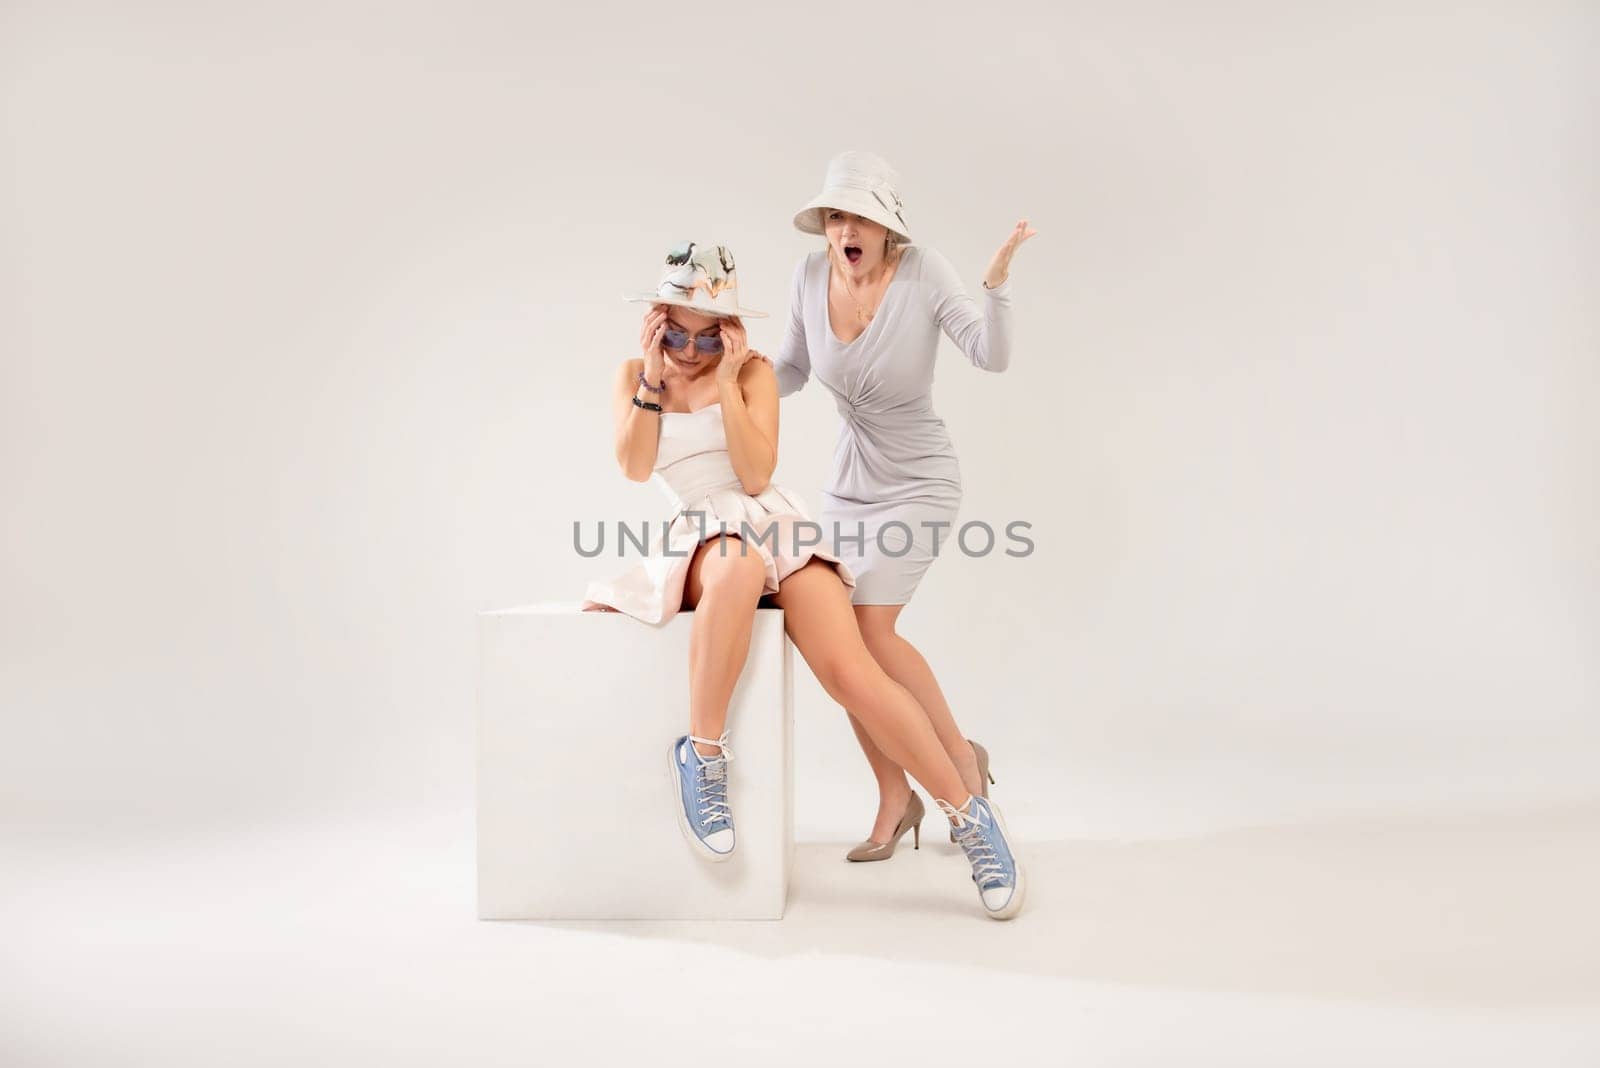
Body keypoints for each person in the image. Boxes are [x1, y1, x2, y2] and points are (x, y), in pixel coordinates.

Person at [581, 240, 1026, 919]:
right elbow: (636, 468)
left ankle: (969, 817)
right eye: (676, 332)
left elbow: (756, 476)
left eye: (707, 337)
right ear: (656, 320)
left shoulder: (752, 374)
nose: (690, 350)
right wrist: (651, 375)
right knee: (734, 563)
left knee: (853, 672)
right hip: (703, 532)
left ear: (730, 331)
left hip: (770, 518)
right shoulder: (632, 378)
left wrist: (727, 384)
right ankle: (703, 756)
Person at [770, 150, 1036, 859]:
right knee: (838, 643)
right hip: (848, 487)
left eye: (858, 217)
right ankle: (896, 796)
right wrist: (732, 381)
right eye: (834, 216)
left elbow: (991, 355)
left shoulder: (923, 273)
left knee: (872, 632)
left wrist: (997, 286)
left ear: (888, 229)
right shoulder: (808, 276)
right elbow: (792, 369)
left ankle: (960, 771)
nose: (843, 229)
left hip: (919, 481)